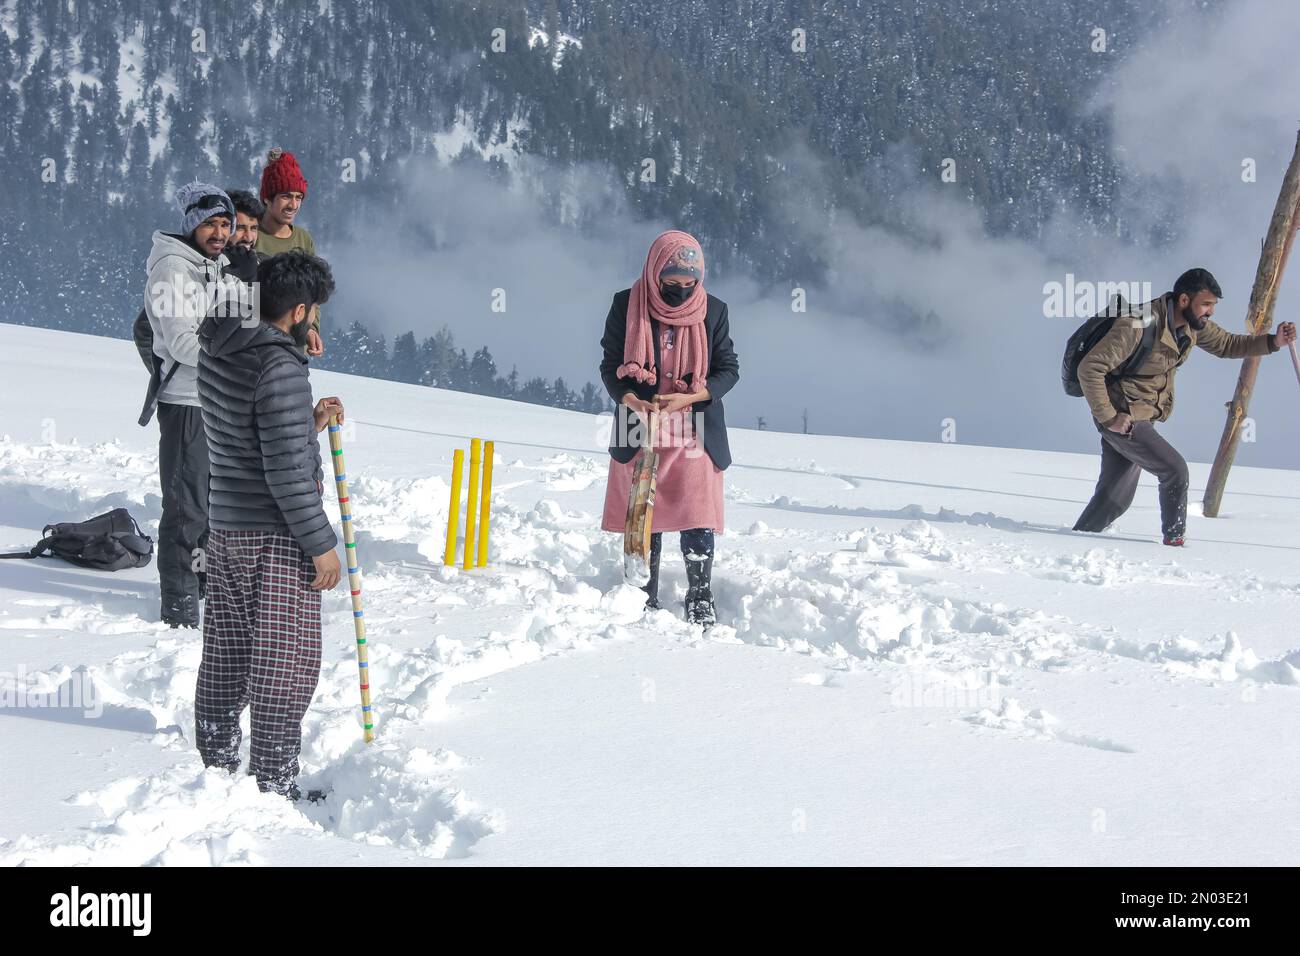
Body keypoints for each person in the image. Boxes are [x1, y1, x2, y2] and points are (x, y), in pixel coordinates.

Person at [194, 249, 343, 801]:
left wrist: (308, 423)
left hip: (226, 528)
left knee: (228, 653)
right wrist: (321, 546)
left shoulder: (221, 347)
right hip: (277, 538)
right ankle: (273, 787)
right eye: (315, 313)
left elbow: (244, 436)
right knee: (286, 664)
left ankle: (215, 771)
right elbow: (284, 473)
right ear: (299, 311)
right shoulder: (279, 368)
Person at [1074, 267, 1296, 544]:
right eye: (1206, 304)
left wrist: (1274, 342)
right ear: (1183, 300)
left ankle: (1077, 540)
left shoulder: (1190, 325)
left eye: (1213, 305)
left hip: (1142, 414)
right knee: (1175, 471)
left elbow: (1227, 344)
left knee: (1114, 499)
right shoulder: (1138, 323)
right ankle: (1175, 541)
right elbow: (1090, 368)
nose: (1210, 312)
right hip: (1125, 416)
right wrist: (1109, 418)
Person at [599, 230, 740, 625]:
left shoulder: (714, 311)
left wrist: (690, 397)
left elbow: (729, 371)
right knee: (647, 512)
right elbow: (611, 367)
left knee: (697, 513)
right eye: (671, 283)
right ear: (654, 272)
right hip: (639, 424)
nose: (680, 291)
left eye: (688, 284)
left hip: (694, 426)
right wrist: (632, 401)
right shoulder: (627, 305)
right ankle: (644, 594)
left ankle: (700, 596)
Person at [143, 182, 255, 627]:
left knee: (212, 506)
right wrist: (232, 364)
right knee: (187, 506)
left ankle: (203, 587)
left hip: (215, 398)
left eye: (226, 224)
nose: (221, 232)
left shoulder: (216, 267)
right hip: (187, 401)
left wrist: (251, 283)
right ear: (192, 223)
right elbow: (182, 342)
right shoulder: (173, 269)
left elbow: (247, 326)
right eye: (211, 222)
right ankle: (179, 602)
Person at [255, 147, 324, 357]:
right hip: (255, 347)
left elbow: (313, 296)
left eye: (298, 197)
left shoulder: (304, 240)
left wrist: (312, 329)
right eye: (286, 196)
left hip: (294, 349)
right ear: (267, 198)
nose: (293, 204)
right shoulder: (249, 235)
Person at [225, 188, 266, 253]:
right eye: (240, 228)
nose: (249, 238)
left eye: (253, 228)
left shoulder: (265, 261)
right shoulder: (209, 262)